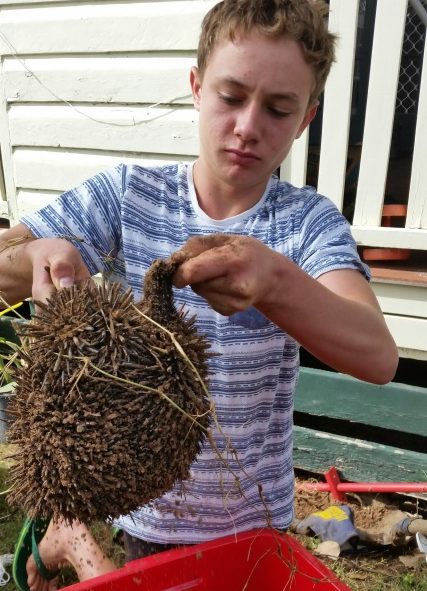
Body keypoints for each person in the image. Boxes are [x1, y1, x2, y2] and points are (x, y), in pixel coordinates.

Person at [0, 0, 399, 588]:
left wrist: (276, 281)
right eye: (231, 96)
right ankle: (64, 536)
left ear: (306, 118)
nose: (247, 126)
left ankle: (64, 541)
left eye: (278, 108)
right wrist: (33, 256)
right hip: (144, 511)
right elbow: (8, 256)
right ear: (196, 86)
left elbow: (378, 356)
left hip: (255, 523)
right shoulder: (127, 195)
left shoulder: (308, 225)